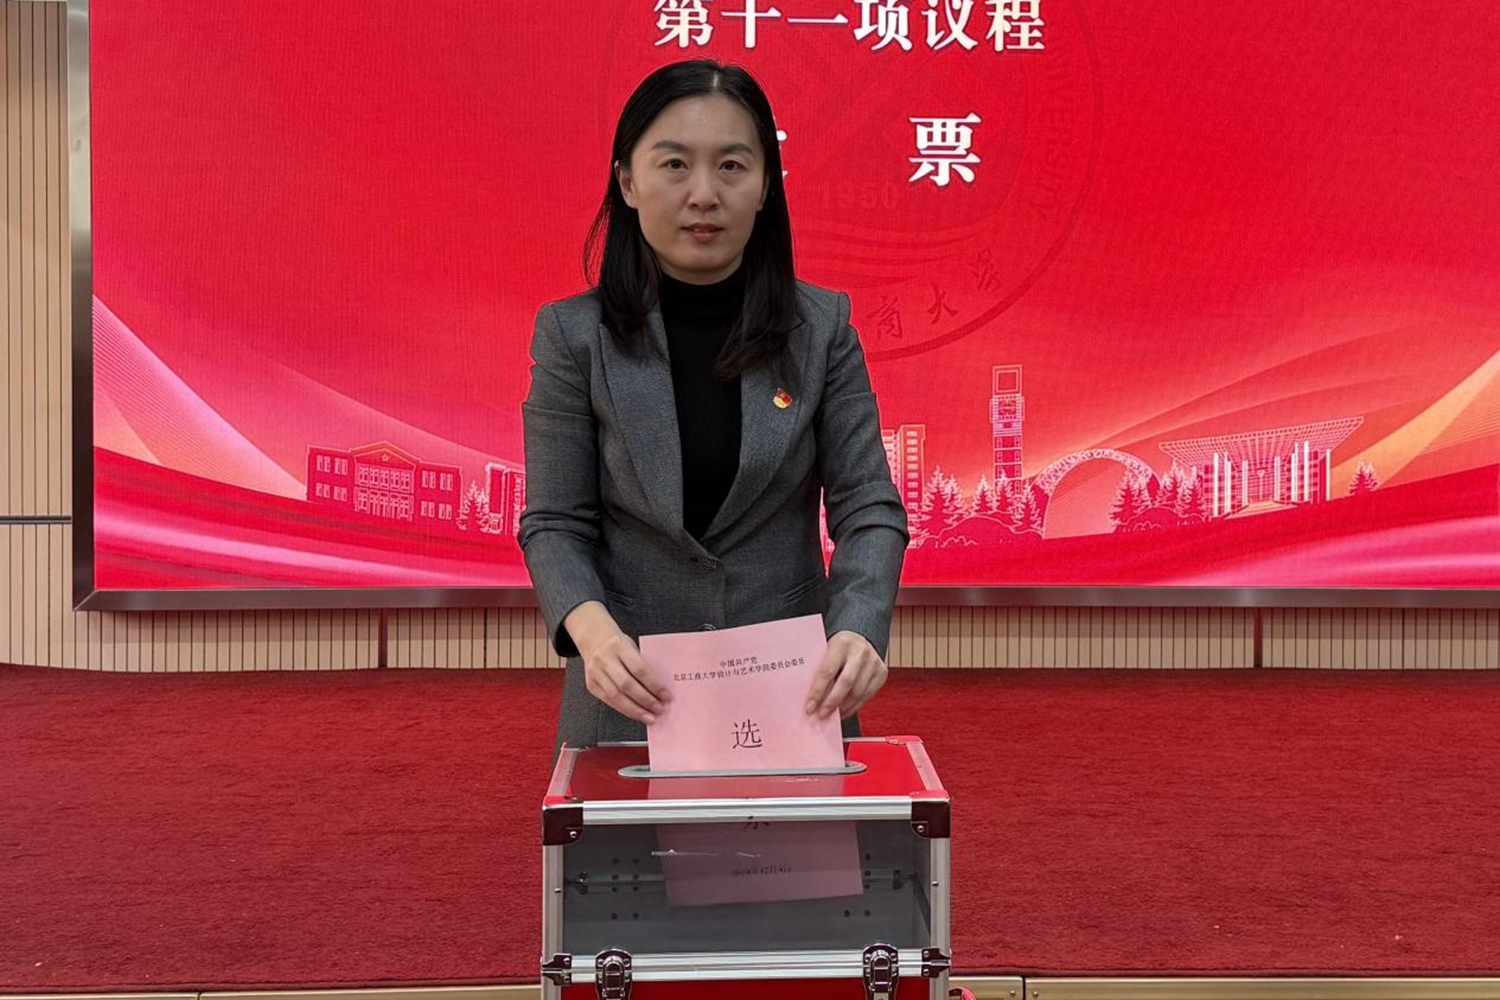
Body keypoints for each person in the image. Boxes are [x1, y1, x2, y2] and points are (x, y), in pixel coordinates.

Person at [519, 59, 908, 753]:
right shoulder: (574, 336)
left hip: (796, 694)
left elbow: (869, 505)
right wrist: (593, 633)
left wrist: (859, 625)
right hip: (630, 693)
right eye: (674, 165)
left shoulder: (821, 329)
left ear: (765, 186)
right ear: (628, 182)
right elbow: (554, 521)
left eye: (731, 166)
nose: (704, 194)